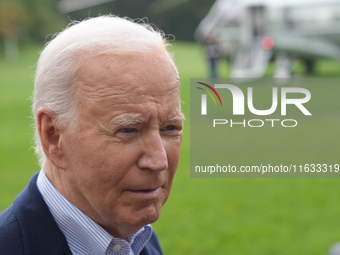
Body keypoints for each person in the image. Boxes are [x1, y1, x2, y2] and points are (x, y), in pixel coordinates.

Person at [0, 16, 184, 255]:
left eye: (169, 128)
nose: (159, 162)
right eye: (128, 130)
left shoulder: (138, 238)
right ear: (54, 136)